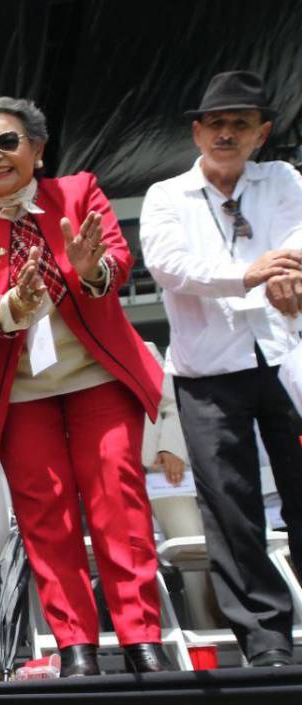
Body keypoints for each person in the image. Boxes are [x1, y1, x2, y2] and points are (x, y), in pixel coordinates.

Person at [0, 96, 169, 677]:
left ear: (37, 151)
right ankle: (76, 649)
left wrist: (91, 268)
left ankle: (143, 638)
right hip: (19, 393)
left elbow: (115, 263)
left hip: (97, 378)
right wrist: (11, 304)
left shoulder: (78, 193)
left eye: (7, 142)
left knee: (118, 504)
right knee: (47, 519)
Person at [140, 70, 302, 667]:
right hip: (207, 372)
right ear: (196, 132)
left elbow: (297, 239)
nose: (227, 134)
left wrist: (288, 273)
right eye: (216, 124)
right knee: (230, 508)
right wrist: (253, 275)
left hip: (286, 353)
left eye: (240, 124)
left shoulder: (283, 178)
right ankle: (266, 646)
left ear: (262, 133)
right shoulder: (164, 196)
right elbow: (171, 267)